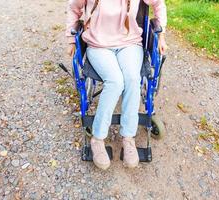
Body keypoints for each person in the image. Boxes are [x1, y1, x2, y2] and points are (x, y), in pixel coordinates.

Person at [66, 0, 167, 170]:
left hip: (130, 44)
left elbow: (158, 4)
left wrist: (161, 36)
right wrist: (71, 40)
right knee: (115, 82)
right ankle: (97, 139)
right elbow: (73, 8)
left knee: (133, 80)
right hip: (99, 45)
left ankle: (128, 138)